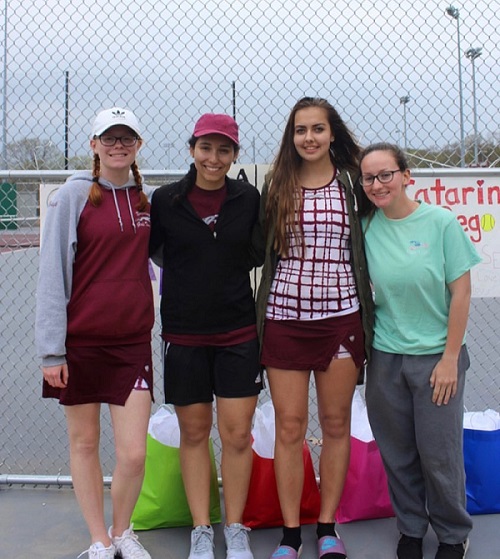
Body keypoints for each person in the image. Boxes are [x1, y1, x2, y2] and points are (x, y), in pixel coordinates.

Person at [255, 97, 374, 559]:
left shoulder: (351, 182)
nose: (309, 138)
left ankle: (327, 528)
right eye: (301, 130)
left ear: (331, 133)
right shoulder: (276, 183)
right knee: (289, 426)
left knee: (336, 422)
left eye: (317, 129)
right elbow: (258, 247)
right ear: (292, 136)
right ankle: (290, 534)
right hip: (284, 319)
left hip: (342, 320)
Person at [35, 107, 154, 559]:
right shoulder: (73, 196)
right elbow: (52, 276)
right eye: (109, 137)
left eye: (127, 138)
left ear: (138, 145)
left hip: (131, 345)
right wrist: (51, 352)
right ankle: (99, 540)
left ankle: (123, 531)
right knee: (84, 443)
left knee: (133, 454)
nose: (118, 145)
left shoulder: (147, 201)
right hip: (79, 344)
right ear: (94, 144)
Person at [149, 113, 263, 559]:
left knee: (236, 435)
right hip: (184, 334)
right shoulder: (166, 200)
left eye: (224, 150)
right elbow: (157, 252)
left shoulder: (248, 198)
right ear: (192, 148)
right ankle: (202, 529)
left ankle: (235, 528)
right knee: (194, 434)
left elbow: (255, 253)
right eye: (206, 148)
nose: (214, 158)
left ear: (235, 155)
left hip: (238, 332)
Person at [358, 143, 480, 559]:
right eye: (369, 178)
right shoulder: (366, 226)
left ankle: (452, 533)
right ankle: (410, 528)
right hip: (386, 356)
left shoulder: (441, 223)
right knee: (398, 452)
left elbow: (461, 293)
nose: (377, 185)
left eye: (385, 174)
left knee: (439, 453)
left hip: (436, 357)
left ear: (407, 175)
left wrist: (449, 359)